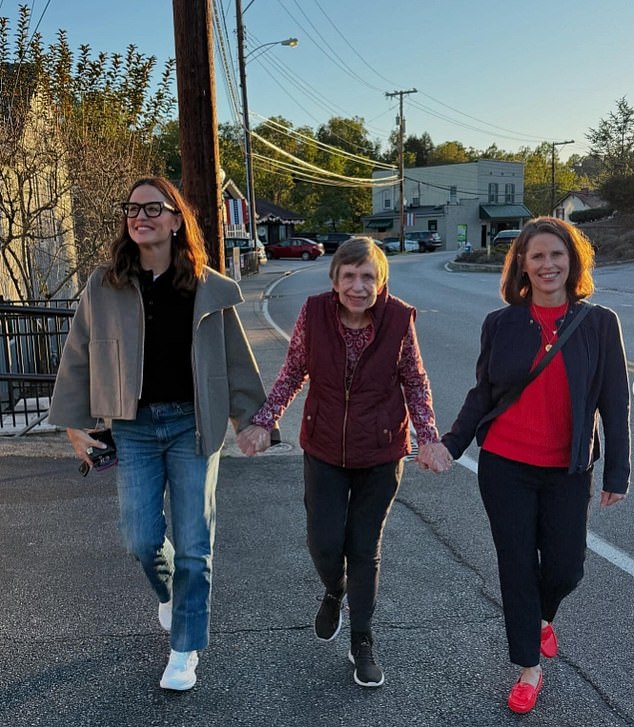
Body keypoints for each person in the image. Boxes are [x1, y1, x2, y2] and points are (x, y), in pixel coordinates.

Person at [48, 176, 271, 691]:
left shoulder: (207, 286)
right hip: (134, 427)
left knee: (195, 543)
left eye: (152, 207)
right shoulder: (105, 285)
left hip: (194, 425)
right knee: (142, 537)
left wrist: (256, 421)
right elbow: (79, 355)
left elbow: (235, 361)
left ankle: (185, 648)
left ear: (175, 220)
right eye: (131, 208)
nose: (139, 215)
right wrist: (73, 425)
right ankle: (172, 596)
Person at [237, 236, 451, 687]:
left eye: (368, 276)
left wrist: (428, 438)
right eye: (349, 276)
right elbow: (293, 371)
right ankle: (334, 589)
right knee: (324, 543)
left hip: (380, 452)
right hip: (325, 448)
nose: (359, 285)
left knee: (364, 549)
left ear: (382, 281)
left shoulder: (398, 320)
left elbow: (415, 381)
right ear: (334, 280)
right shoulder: (315, 315)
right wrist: (263, 421)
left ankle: (363, 640)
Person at [440, 217, 630, 714]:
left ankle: (541, 619)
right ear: (522, 265)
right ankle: (528, 667)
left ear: (573, 262)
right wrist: (451, 444)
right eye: (537, 256)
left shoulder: (599, 323)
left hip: (568, 468)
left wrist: (618, 472)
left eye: (556, 255)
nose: (547, 265)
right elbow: (483, 393)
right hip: (505, 465)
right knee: (517, 566)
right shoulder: (500, 324)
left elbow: (615, 402)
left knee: (567, 568)